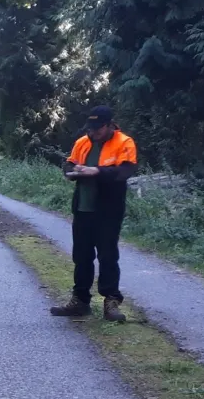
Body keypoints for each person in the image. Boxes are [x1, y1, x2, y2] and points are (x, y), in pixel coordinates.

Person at [49, 105, 138, 322]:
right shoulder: (83, 142)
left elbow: (125, 171)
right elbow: (68, 163)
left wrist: (97, 171)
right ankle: (80, 301)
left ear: (109, 126)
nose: (93, 133)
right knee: (81, 256)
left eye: (98, 129)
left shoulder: (124, 142)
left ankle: (111, 301)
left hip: (108, 210)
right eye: (90, 128)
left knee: (107, 256)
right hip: (83, 208)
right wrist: (73, 171)